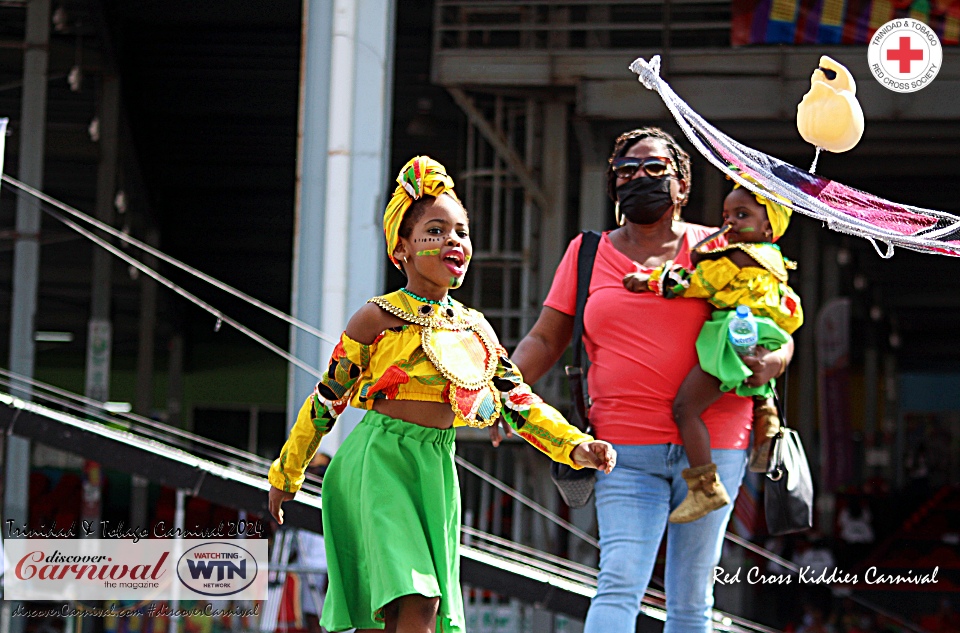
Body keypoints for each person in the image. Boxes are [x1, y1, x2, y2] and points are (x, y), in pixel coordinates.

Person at [267, 156, 616, 633]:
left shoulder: (476, 329)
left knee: (410, 614)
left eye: (462, 232)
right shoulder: (376, 317)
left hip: (435, 469)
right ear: (403, 247)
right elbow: (328, 398)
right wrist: (286, 473)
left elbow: (518, 402)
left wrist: (575, 445)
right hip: (379, 462)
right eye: (436, 230)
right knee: (417, 598)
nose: (454, 241)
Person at [496, 128, 793, 632]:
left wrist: (778, 358)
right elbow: (545, 340)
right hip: (621, 449)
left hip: (715, 443)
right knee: (619, 581)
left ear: (682, 185)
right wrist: (504, 394)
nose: (639, 178)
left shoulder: (723, 247)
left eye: (655, 169)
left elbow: (777, 319)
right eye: (627, 171)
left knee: (691, 598)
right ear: (613, 187)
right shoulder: (586, 254)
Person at [622, 175, 803, 523]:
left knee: (686, 409)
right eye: (727, 215)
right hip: (766, 332)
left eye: (742, 215)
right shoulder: (774, 259)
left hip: (734, 333)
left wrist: (649, 280)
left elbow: (696, 283)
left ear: (769, 226)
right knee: (755, 375)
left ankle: (705, 486)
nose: (730, 223)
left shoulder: (737, 256)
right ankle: (766, 416)